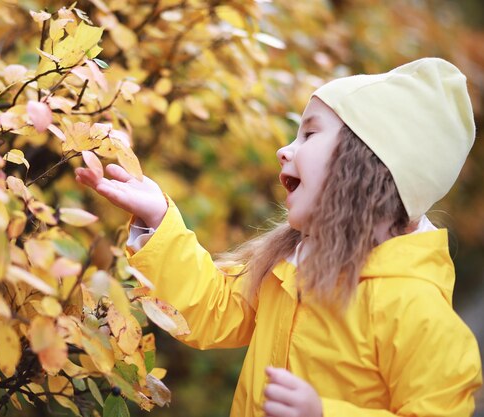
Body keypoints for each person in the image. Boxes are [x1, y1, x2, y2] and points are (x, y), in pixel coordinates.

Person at [75, 57, 482, 417]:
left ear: (364, 164)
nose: (284, 151)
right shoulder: (293, 265)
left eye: (308, 135)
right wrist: (158, 217)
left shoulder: (415, 308)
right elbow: (212, 309)